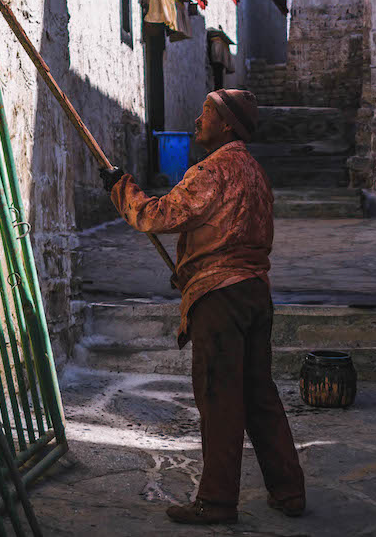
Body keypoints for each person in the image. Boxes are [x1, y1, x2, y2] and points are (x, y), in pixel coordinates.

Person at [100, 88, 305, 526]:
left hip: (221, 298)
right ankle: (289, 491)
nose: (197, 119)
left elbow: (156, 216)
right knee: (258, 394)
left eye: (206, 113)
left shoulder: (212, 171)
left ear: (227, 124)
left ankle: (215, 502)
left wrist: (121, 188)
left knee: (220, 397)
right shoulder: (255, 172)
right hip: (254, 293)